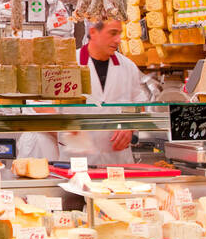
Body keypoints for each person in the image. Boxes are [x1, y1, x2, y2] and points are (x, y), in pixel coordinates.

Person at [59, 19, 148, 165]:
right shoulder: (67, 63)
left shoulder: (128, 66)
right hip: (78, 159)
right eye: (113, 33)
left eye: (119, 33)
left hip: (117, 161)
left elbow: (139, 105)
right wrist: (68, 127)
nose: (118, 39)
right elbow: (42, 105)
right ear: (93, 32)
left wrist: (130, 127)